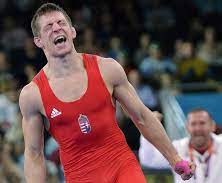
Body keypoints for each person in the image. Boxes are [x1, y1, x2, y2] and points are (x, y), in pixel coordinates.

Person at [19, 3, 195, 183]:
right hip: (81, 176)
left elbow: (142, 116)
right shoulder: (32, 95)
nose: (56, 28)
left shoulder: (107, 69)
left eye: (61, 23)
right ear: (38, 41)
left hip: (122, 166)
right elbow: (34, 154)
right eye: (48, 26)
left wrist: (175, 159)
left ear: (72, 31)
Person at [139, 108, 222, 183]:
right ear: (187, 127)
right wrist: (147, 132)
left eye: (202, 123)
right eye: (193, 124)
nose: (198, 128)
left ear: (212, 126)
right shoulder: (176, 148)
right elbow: (149, 160)